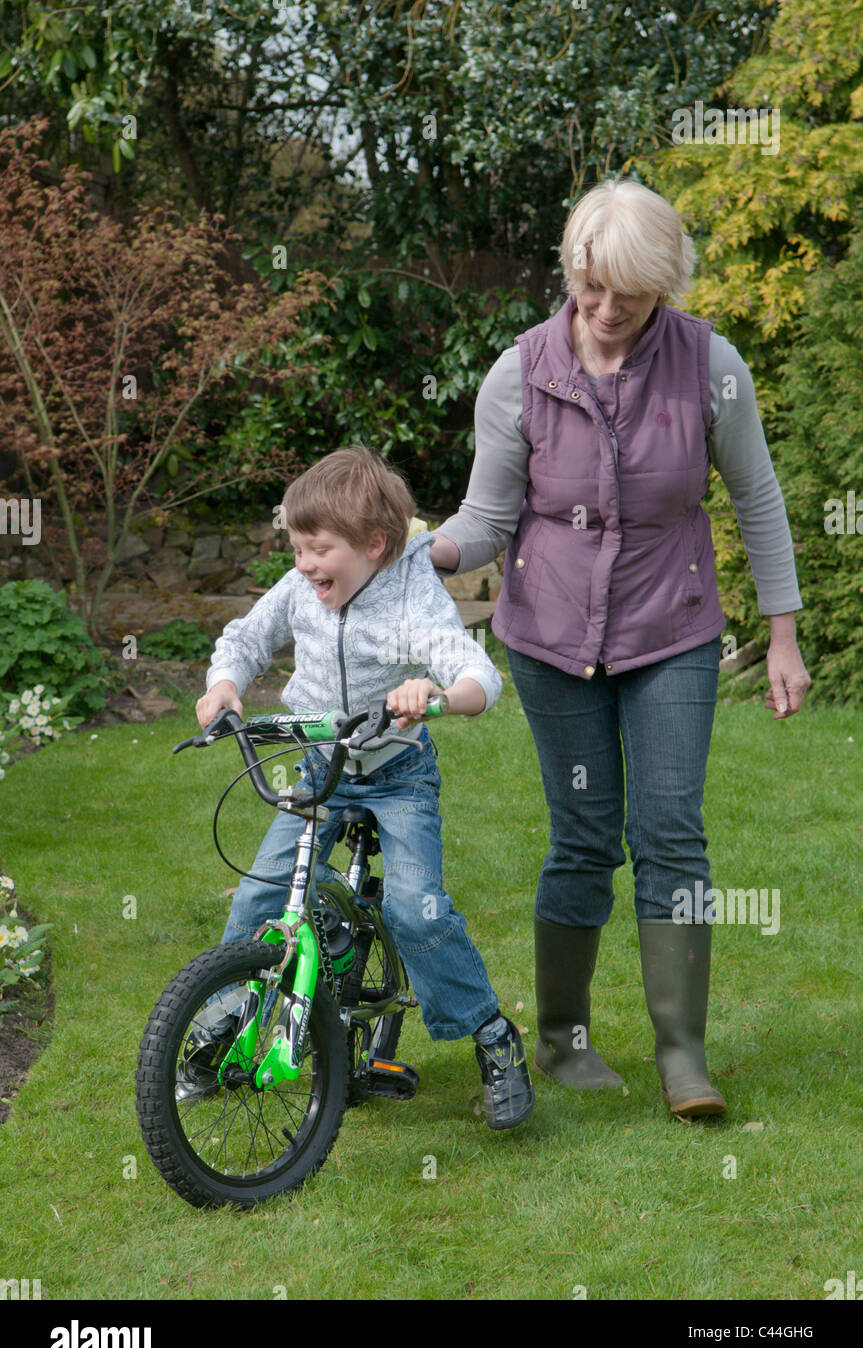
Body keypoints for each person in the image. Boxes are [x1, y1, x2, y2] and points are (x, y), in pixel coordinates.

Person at [430, 178, 811, 1118]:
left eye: (628, 297)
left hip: (669, 632)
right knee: (584, 838)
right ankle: (560, 1041)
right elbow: (487, 517)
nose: (604, 313)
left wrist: (782, 633)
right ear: (573, 271)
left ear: (663, 288)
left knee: (671, 832)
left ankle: (682, 1055)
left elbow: (756, 501)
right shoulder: (518, 375)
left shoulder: (709, 366)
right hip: (550, 639)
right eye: (590, 288)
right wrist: (416, 551)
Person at [194, 444, 534, 1130]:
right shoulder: (299, 591)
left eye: (318, 548)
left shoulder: (413, 595)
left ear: (374, 545)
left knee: (418, 912)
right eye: (296, 547)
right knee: (262, 891)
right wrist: (223, 685)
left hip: (396, 773)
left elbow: (479, 677)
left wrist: (435, 695)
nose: (303, 564)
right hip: (320, 766)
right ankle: (224, 1016)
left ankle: (492, 1037)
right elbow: (245, 637)